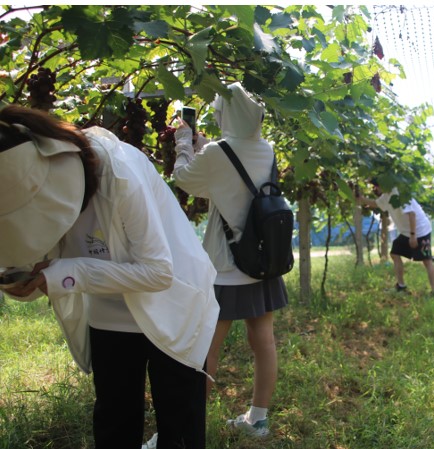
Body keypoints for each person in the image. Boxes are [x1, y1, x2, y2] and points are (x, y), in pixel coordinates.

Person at [0, 105, 219, 449]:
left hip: (172, 303)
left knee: (179, 427)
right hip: (109, 314)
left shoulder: (120, 172)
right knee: (115, 421)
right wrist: (23, 279)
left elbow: (158, 273)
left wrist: (68, 273)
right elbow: (46, 256)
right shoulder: (28, 182)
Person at [172, 82, 288, 438]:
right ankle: (259, 420)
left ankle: (183, 431)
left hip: (226, 268)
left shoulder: (218, 152)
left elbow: (185, 180)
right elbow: (231, 183)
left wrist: (183, 143)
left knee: (204, 350)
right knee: (263, 341)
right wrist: (209, 149)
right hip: (262, 260)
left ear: (226, 114)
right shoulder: (265, 149)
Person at [358, 182, 434, 294]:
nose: (375, 189)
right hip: (406, 232)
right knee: (395, 253)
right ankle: (401, 286)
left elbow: (412, 215)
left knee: (426, 260)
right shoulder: (386, 196)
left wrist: (413, 236)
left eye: (376, 186)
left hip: (420, 231)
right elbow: (375, 203)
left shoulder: (399, 193)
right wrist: (361, 198)